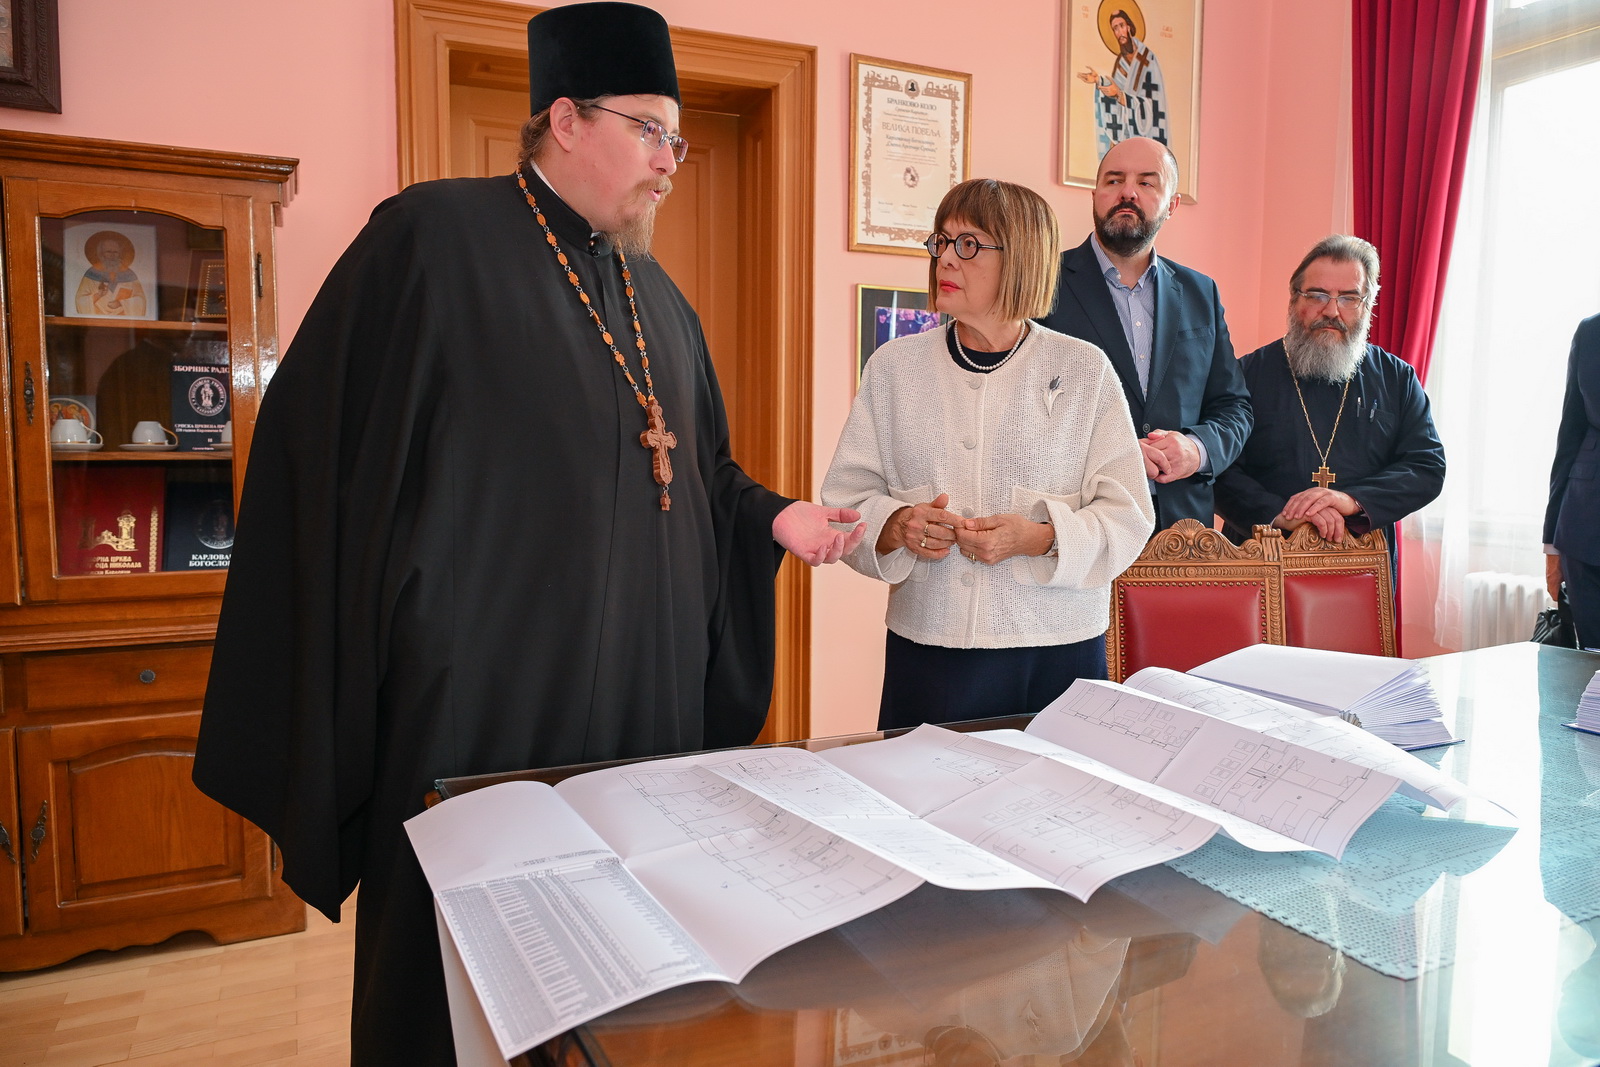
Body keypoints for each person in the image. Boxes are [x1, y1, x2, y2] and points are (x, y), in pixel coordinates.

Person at [191, 5, 863, 1063]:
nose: (671, 163)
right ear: (565, 118)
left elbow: (696, 469)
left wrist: (774, 514)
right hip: (479, 713)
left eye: (679, 141)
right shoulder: (430, 241)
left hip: (634, 709)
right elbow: (319, 446)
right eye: (650, 132)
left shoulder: (659, 297)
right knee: (454, 995)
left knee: (610, 991)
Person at [822, 178, 1153, 730]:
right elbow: (847, 499)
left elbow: (1129, 515)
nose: (946, 258)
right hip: (929, 649)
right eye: (941, 241)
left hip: (1057, 651)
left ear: (1021, 258)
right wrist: (897, 524)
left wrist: (1039, 538)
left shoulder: (1084, 369)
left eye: (969, 244)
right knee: (919, 782)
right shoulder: (894, 368)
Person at [1037, 136, 1250, 531]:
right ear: (1095, 196)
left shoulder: (1201, 292)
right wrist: (1115, 453)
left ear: (1172, 205)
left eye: (1147, 182)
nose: (1128, 192)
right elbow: (1024, 411)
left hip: (1185, 530)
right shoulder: (1043, 284)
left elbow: (1234, 407)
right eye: (1114, 180)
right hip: (1082, 523)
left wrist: (1197, 448)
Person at [1213, 235, 1445, 568]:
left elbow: (1426, 467)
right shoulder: (1246, 375)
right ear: (1294, 299)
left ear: (1367, 306)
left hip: (1362, 564)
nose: (1332, 310)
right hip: (1261, 555)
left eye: (1349, 298)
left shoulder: (1396, 379)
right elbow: (1219, 467)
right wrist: (1279, 514)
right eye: (1318, 295)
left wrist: (1351, 501)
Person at [1545, 313, 1600, 645]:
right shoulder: (1591, 331)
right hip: (1584, 531)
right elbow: (1570, 433)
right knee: (1590, 660)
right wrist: (1551, 543)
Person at [1077, 9, 1169, 159]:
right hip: (1127, 134)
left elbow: (1153, 106)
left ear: (1129, 27)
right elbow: (1115, 90)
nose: (1119, 32)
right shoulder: (1121, 63)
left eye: (1121, 26)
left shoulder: (1148, 60)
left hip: (1147, 136)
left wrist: (1121, 96)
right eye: (1115, 28)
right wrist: (1098, 80)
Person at [74, 230, 146, 317]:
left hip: (123, 321)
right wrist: (98, 295)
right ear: (101, 254)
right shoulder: (92, 273)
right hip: (97, 321)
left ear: (120, 254)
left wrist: (121, 303)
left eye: (115, 252)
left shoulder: (129, 275)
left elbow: (140, 300)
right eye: (108, 252)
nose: (112, 255)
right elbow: (80, 300)